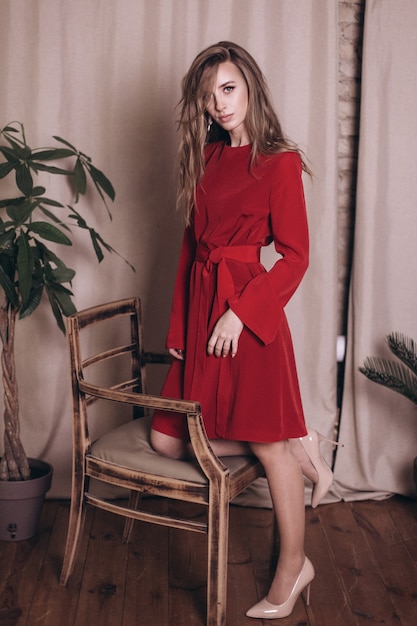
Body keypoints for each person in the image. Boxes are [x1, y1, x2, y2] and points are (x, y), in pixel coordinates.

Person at [151, 41, 334, 620]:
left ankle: (293, 566)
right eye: (209, 95)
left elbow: (297, 257)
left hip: (247, 316)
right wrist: (181, 323)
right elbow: (189, 247)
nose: (219, 104)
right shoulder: (205, 157)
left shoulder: (279, 161)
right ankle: (292, 441)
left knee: (263, 446)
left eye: (228, 89)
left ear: (249, 86)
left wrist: (240, 313)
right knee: (167, 437)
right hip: (203, 309)